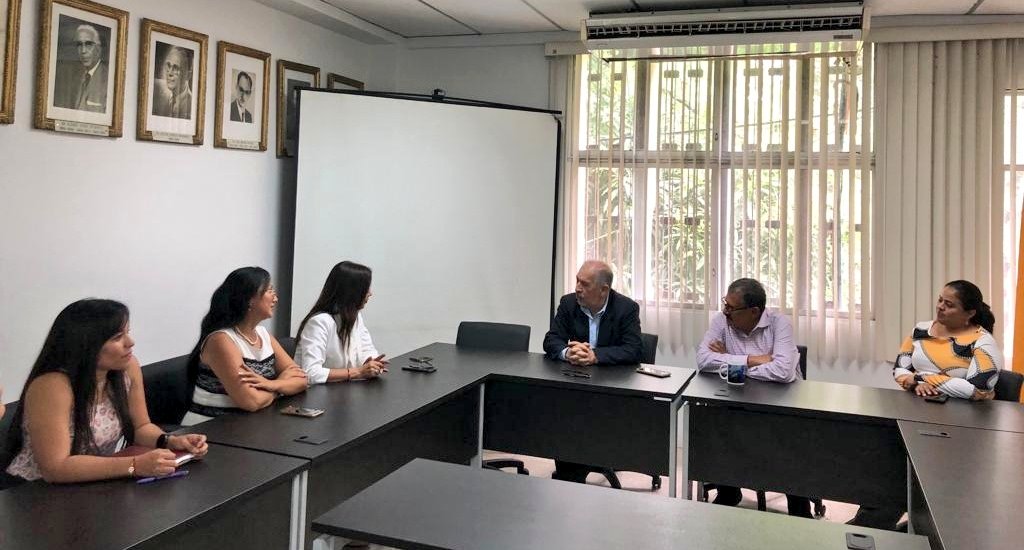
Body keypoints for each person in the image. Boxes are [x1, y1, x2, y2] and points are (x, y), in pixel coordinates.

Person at [849, 279, 1002, 530]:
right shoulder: (921, 330)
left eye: (949, 304)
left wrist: (920, 378)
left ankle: (923, 528)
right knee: (888, 470)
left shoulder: (981, 342)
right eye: (940, 300)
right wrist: (911, 381)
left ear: (970, 313)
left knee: (933, 482)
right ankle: (872, 525)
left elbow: (976, 389)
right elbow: (899, 368)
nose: (940, 307)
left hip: (963, 426)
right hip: (914, 412)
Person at [3, 300, 208, 483]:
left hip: (95, 480)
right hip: (36, 493)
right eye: (118, 337)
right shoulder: (53, 385)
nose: (130, 342)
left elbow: (141, 427)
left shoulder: (127, 368)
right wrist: (134, 465)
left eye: (128, 332)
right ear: (86, 345)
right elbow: (55, 468)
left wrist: (171, 441)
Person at [695, 278, 812, 518]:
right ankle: (729, 491)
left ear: (754, 312)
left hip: (781, 406)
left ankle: (800, 510)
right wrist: (754, 359)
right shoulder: (722, 322)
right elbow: (703, 361)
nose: (725, 312)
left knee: (789, 444)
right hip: (738, 402)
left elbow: (782, 372)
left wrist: (729, 359)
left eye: (731, 308)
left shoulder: (780, 324)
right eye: (724, 304)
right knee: (714, 423)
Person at [542, 259, 642, 483]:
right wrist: (568, 352)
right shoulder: (569, 303)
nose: (577, 288)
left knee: (584, 419)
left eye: (584, 284)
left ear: (603, 290)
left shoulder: (626, 308)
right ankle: (569, 473)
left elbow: (634, 350)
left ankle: (576, 470)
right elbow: (551, 340)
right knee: (563, 412)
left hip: (611, 388)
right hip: (576, 383)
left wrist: (595, 356)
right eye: (577, 281)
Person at [182, 267, 307, 425]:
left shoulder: (262, 334)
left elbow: (301, 378)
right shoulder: (221, 340)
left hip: (250, 426)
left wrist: (270, 384)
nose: (275, 298)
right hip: (211, 431)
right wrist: (281, 389)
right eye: (270, 291)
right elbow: (250, 401)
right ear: (249, 299)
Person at [294, 261, 388, 384]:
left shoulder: (355, 317)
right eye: (366, 288)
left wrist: (371, 363)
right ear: (352, 292)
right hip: (314, 396)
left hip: (342, 392)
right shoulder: (319, 322)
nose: (370, 293)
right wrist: (358, 372)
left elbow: (367, 349)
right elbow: (310, 373)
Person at [54, 24, 108, 112]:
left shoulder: (108, 79)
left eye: (88, 44)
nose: (83, 51)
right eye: (79, 45)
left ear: (98, 48)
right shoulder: (74, 78)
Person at [152, 46, 192, 119]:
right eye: (168, 65)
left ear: (188, 75)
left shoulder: (191, 105)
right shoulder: (158, 92)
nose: (169, 73)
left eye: (176, 68)